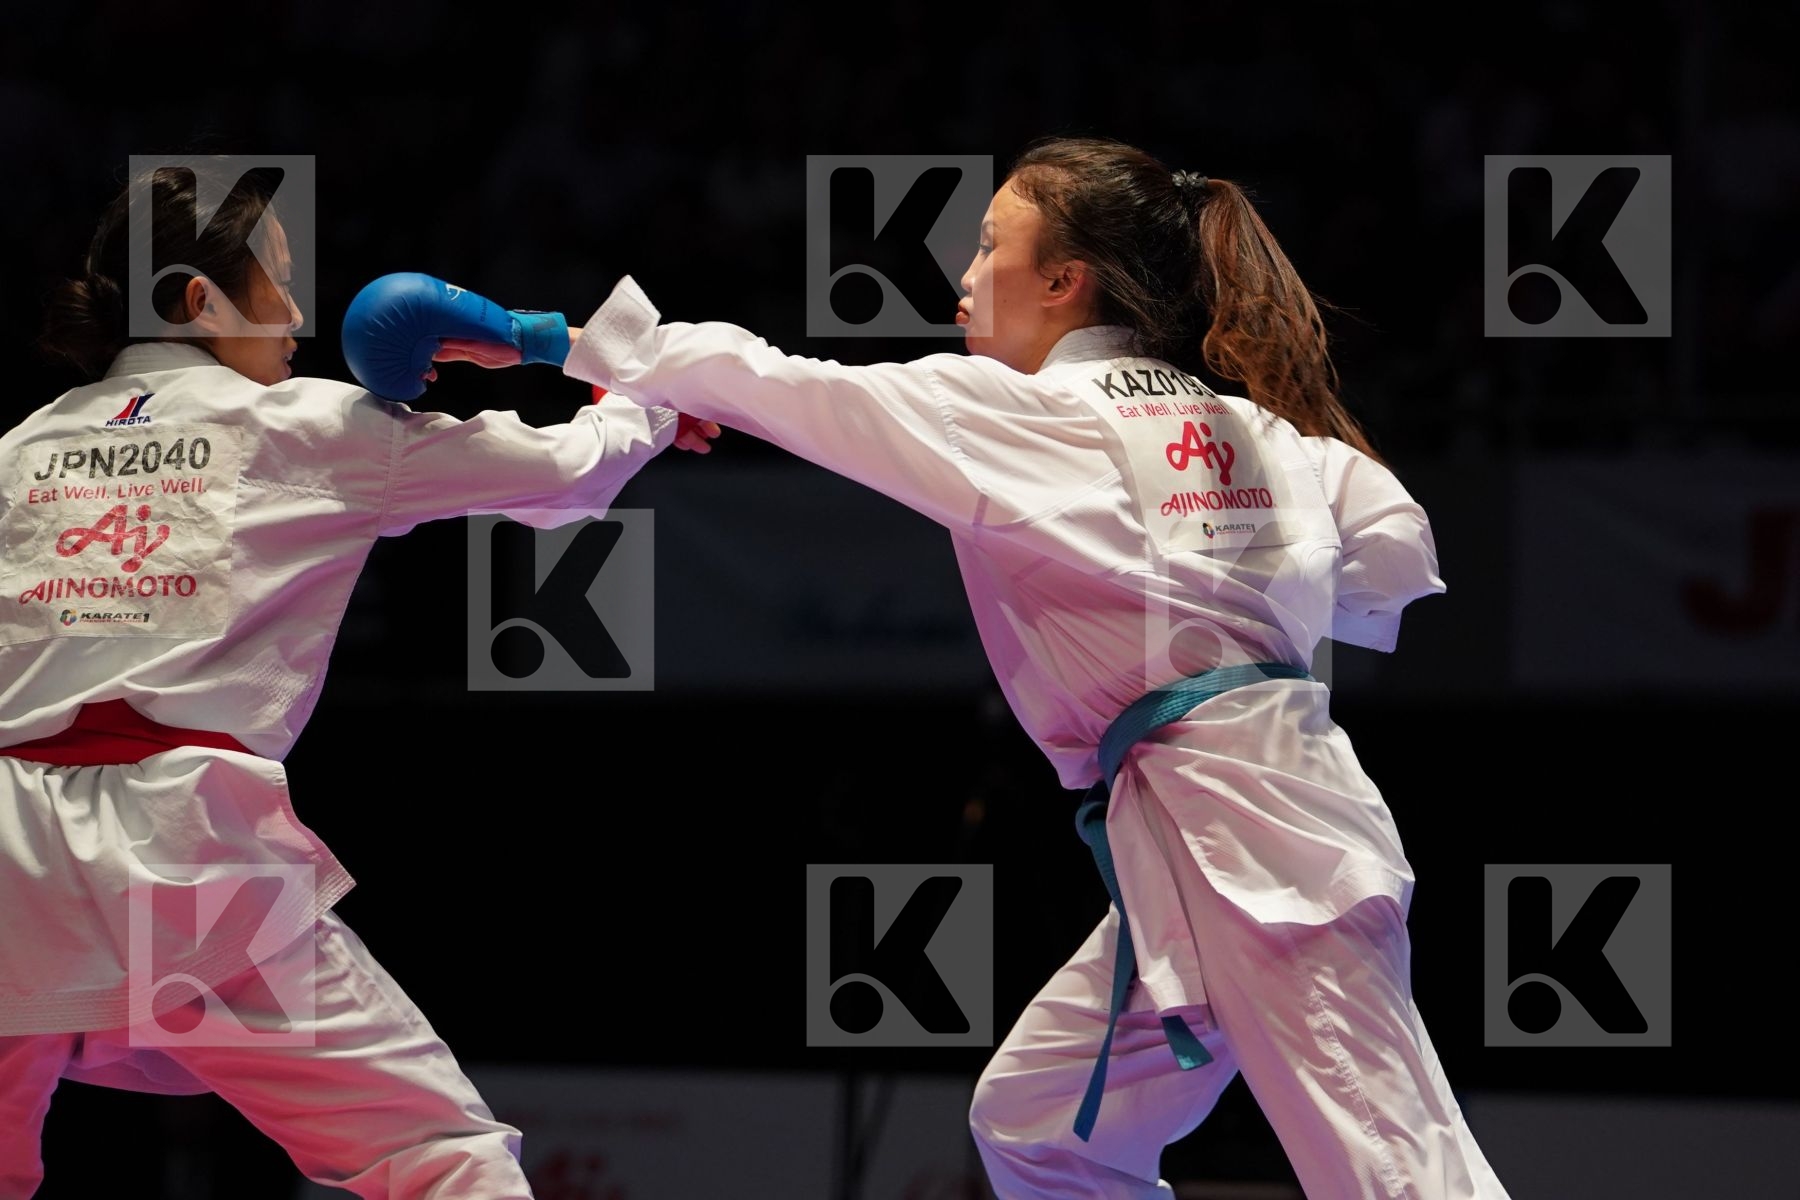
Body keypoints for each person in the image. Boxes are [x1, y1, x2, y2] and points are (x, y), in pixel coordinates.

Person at [443, 135, 1514, 1198]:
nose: (963, 275)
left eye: (990, 244)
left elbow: (780, 382)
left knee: (1399, 1171)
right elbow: (1389, 559)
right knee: (1042, 1126)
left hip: (1255, 842)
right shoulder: (1265, 433)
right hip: (1216, 825)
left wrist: (543, 336)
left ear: (1064, 279)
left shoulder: (1021, 408)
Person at [0, 158, 716, 1199]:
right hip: (177, 863)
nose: (296, 315)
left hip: (9, 860)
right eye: (276, 279)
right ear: (199, 298)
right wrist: (638, 400)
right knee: (436, 1160)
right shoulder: (305, 426)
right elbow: (564, 473)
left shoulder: (23, 447)